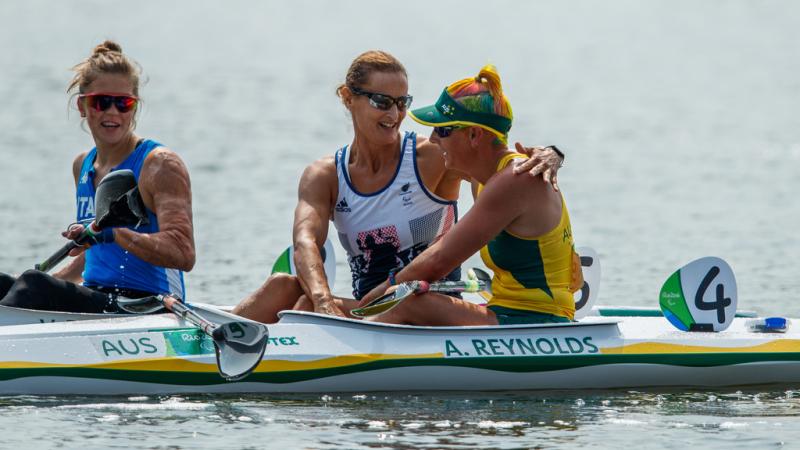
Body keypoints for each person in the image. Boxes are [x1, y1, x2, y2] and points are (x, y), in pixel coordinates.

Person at [232, 51, 564, 322]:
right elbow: (305, 241)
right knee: (284, 289)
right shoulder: (325, 174)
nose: (396, 113)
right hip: (377, 309)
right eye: (382, 101)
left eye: (402, 102)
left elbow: (495, 156)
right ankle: (210, 345)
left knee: (328, 307)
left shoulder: (435, 156)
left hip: (425, 305)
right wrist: (322, 302)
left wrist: (552, 153)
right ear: (348, 98)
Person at [358, 64, 582, 326]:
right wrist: (555, 153)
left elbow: (440, 260)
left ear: (474, 134)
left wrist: (375, 297)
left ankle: (356, 338)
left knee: (404, 298)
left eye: (442, 130)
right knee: (402, 297)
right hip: (505, 311)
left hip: (537, 320)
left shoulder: (516, 179)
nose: (432, 139)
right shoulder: (484, 177)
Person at [0, 40, 195, 313]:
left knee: (33, 284)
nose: (112, 112)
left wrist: (114, 234)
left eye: (123, 103)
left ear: (134, 108)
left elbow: (183, 253)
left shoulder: (159, 165)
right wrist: (46, 285)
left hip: (147, 304)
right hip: (100, 297)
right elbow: (98, 254)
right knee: (9, 283)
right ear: (83, 106)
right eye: (101, 102)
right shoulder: (83, 165)